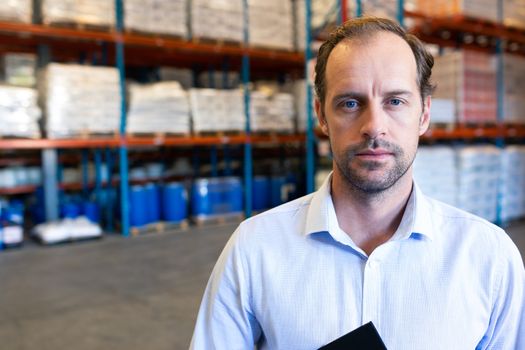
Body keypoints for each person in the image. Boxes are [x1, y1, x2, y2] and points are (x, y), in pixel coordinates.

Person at [190, 17, 525, 349]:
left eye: (395, 101)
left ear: (423, 114)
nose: (374, 126)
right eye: (350, 103)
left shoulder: (489, 258)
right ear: (322, 115)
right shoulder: (254, 249)